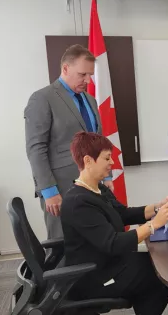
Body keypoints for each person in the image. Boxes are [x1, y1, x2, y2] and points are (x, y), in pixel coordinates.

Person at [61, 132, 168, 315]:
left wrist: (156, 208)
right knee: (159, 277)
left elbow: (123, 214)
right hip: (92, 277)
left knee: (159, 265)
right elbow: (112, 243)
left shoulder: (98, 189)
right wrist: (154, 225)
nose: (112, 163)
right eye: (107, 158)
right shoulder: (78, 202)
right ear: (88, 161)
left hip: (109, 263)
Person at [24, 44, 113, 239]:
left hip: (93, 184)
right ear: (65, 68)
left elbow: (99, 142)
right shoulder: (42, 98)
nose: (88, 80)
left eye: (90, 75)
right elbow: (35, 148)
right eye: (82, 74)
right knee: (63, 245)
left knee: (93, 241)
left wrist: (107, 175)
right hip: (61, 188)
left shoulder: (90, 100)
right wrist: (49, 191)